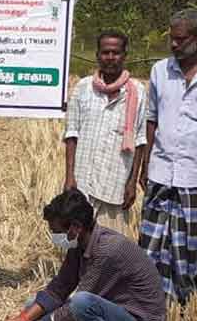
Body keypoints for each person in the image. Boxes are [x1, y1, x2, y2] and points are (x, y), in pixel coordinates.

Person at [0, 189, 166, 321]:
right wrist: (21, 319)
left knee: (81, 303)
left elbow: (74, 309)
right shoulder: (80, 244)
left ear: (75, 227)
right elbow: (58, 289)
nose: (54, 236)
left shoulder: (107, 250)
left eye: (56, 231)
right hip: (113, 312)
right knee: (33, 305)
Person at [138, 8, 197, 303]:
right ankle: (151, 301)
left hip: (196, 177)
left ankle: (184, 302)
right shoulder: (159, 70)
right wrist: (145, 165)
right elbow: (152, 119)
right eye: (172, 39)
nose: (174, 45)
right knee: (151, 245)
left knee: (189, 248)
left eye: (181, 40)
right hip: (160, 171)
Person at [63, 29, 147, 234]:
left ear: (125, 56)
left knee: (109, 249)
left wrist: (132, 183)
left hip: (115, 183)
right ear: (97, 55)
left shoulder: (137, 92)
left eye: (116, 53)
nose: (110, 58)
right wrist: (69, 177)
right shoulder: (83, 88)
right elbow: (71, 135)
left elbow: (140, 141)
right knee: (76, 246)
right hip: (83, 181)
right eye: (105, 52)